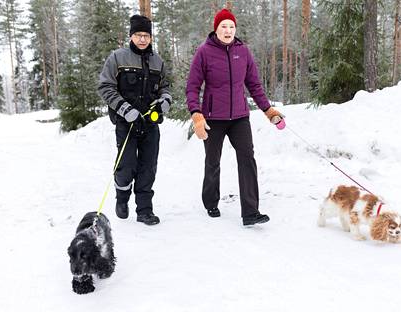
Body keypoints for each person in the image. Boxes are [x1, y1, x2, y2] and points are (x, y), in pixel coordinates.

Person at [186, 9, 284, 226]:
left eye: (231, 26)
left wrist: (268, 111)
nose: (228, 30)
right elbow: (192, 87)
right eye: (224, 26)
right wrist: (196, 115)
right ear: (216, 29)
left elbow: (254, 85)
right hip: (213, 118)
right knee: (213, 161)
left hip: (239, 116)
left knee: (247, 158)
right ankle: (211, 202)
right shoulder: (204, 52)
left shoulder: (243, 51)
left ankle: (250, 212)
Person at [98, 14, 171, 226]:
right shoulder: (118, 58)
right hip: (126, 123)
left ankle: (145, 210)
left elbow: (166, 87)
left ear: (150, 37)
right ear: (131, 36)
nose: (142, 39)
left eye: (146, 35)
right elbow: (105, 86)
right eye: (138, 35)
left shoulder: (158, 61)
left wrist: (164, 101)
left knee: (148, 166)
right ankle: (122, 198)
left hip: (150, 123)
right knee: (126, 165)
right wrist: (125, 110)